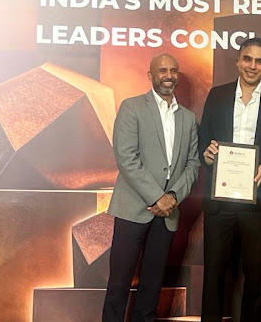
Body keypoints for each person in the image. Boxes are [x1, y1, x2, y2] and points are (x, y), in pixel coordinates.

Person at [199, 37, 261, 322]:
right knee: (214, 273)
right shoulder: (217, 95)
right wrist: (207, 154)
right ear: (238, 61)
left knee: (256, 275)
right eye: (247, 59)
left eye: (259, 61)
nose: (252, 66)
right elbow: (203, 139)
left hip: (258, 200)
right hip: (220, 199)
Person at [102, 54, 200, 322]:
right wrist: (158, 197)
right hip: (133, 207)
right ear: (150, 75)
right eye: (162, 70)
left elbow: (193, 164)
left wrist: (173, 197)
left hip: (168, 213)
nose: (168, 76)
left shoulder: (188, 118)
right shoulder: (132, 107)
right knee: (119, 283)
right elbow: (126, 158)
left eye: (173, 71)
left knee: (152, 284)